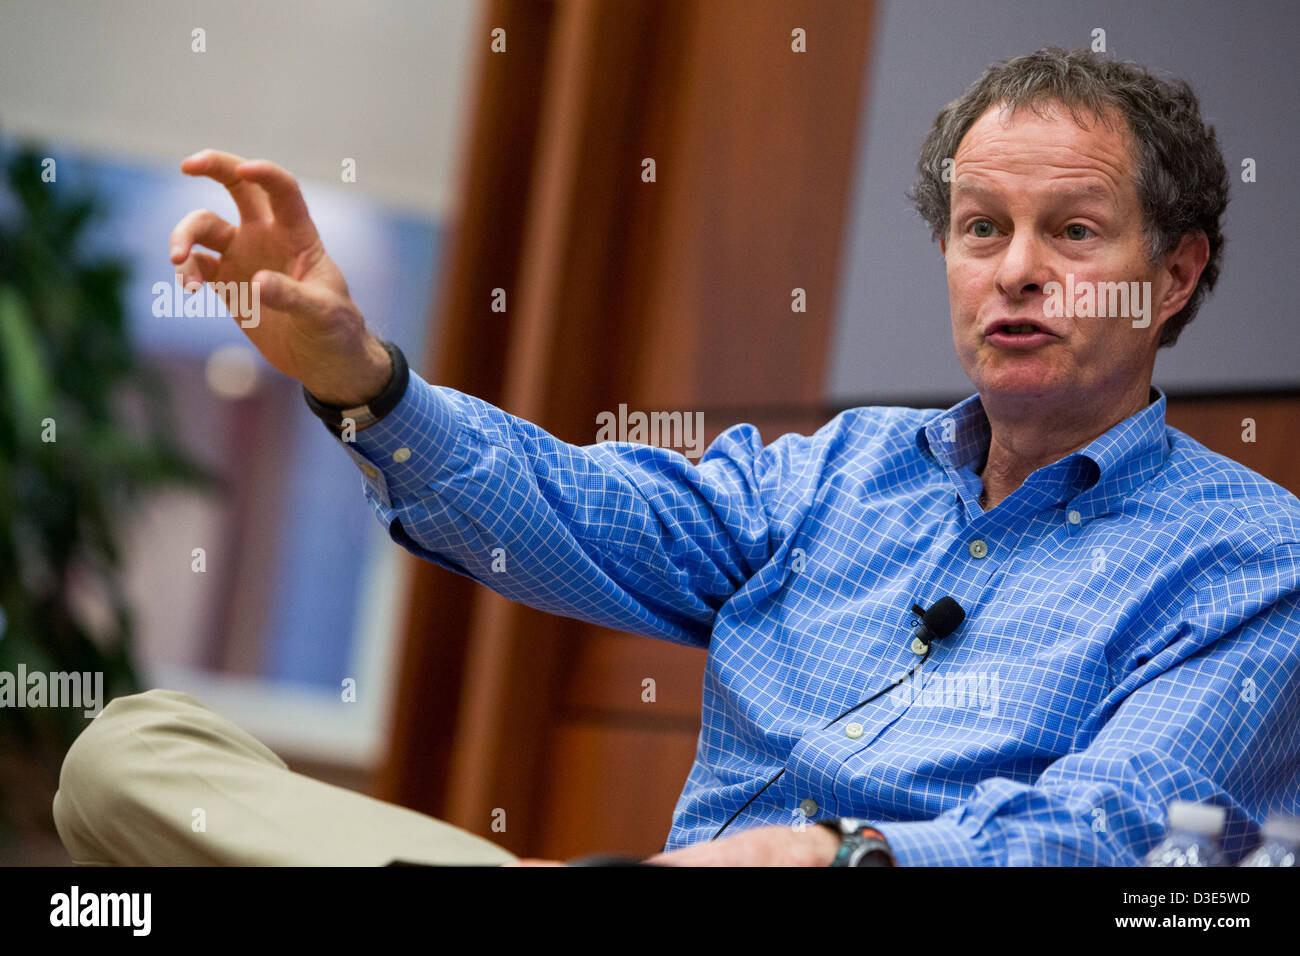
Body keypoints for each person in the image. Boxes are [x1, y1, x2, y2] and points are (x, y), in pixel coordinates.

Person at [53, 47, 1300, 867]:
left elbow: (1127, 827)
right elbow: (577, 508)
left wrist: (838, 853)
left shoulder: (1251, 556)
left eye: (1070, 231)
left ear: (1174, 272)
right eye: (982, 227)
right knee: (130, 752)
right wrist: (359, 377)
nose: (1014, 268)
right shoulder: (841, 472)